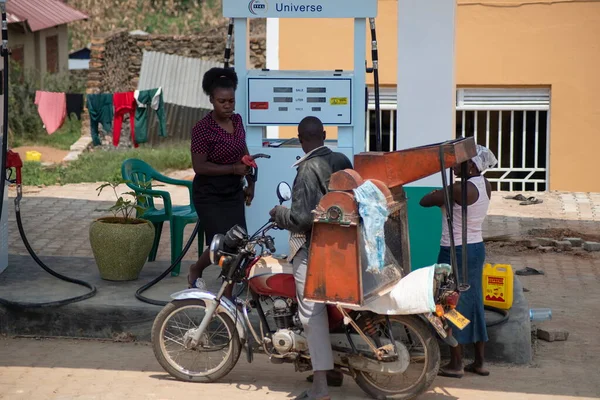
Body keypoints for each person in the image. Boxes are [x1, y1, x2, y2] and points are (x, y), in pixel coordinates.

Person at [270, 116, 353, 400]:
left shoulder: (306, 169)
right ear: (325, 134)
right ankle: (332, 370)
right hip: (342, 247)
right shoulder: (341, 159)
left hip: (313, 249)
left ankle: (320, 387)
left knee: (310, 314)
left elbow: (301, 219)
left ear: (300, 139)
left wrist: (278, 214)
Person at [419, 144, 498, 378]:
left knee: (449, 304)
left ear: (473, 165)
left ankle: (456, 363)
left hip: (454, 252)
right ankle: (480, 362)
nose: (453, 165)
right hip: (475, 249)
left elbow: (424, 201)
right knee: (473, 303)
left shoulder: (457, 189)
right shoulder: (484, 185)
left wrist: (439, 192)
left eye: (459, 161)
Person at [188, 67, 254, 292]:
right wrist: (232, 169)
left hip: (233, 190)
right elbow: (200, 166)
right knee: (221, 243)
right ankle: (196, 269)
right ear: (211, 100)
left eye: (231, 101)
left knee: (237, 243)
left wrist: (250, 183)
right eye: (222, 101)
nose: (227, 106)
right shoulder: (202, 129)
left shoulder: (237, 121)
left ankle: (227, 295)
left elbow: (244, 154)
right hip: (209, 193)